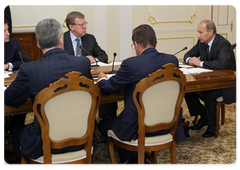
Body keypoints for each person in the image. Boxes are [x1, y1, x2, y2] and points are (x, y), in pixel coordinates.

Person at [2, 18, 94, 161]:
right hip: (82, 137)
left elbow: (8, 100)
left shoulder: (30, 70)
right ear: (61, 39)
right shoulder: (82, 63)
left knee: (16, 133)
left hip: (44, 143)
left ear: (38, 44)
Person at [97, 24, 185, 164]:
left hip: (137, 126)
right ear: (155, 43)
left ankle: (133, 157)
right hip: (167, 123)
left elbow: (108, 88)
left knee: (102, 125)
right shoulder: (172, 61)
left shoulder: (131, 64)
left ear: (136, 44)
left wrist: (102, 78)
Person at [183, 19, 237, 138]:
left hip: (226, 84)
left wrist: (200, 63)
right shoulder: (201, 42)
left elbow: (221, 64)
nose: (198, 35)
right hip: (208, 80)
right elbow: (187, 55)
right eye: (198, 32)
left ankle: (212, 126)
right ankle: (204, 116)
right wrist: (190, 60)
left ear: (211, 32)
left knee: (209, 95)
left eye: (201, 32)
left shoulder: (224, 44)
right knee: (187, 90)